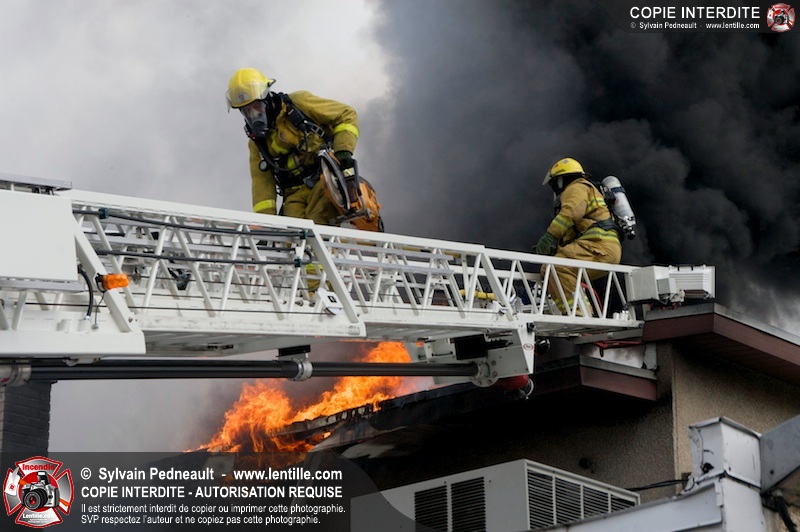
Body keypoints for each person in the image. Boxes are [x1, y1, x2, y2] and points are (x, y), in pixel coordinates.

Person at [226, 67, 360, 225]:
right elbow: (262, 184)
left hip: (323, 180)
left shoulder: (299, 103)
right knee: (292, 235)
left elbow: (346, 114)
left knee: (318, 223)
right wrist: (264, 222)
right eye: (247, 111)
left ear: (267, 99)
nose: (254, 115)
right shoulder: (257, 142)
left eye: (256, 106)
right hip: (293, 194)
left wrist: (343, 151)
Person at [535, 157, 622, 315]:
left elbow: (571, 212)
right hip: (600, 248)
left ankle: (579, 312)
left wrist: (550, 236)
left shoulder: (576, 187)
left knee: (555, 267)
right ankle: (576, 311)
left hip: (597, 246)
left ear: (561, 180)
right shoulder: (587, 189)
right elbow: (577, 229)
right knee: (553, 268)